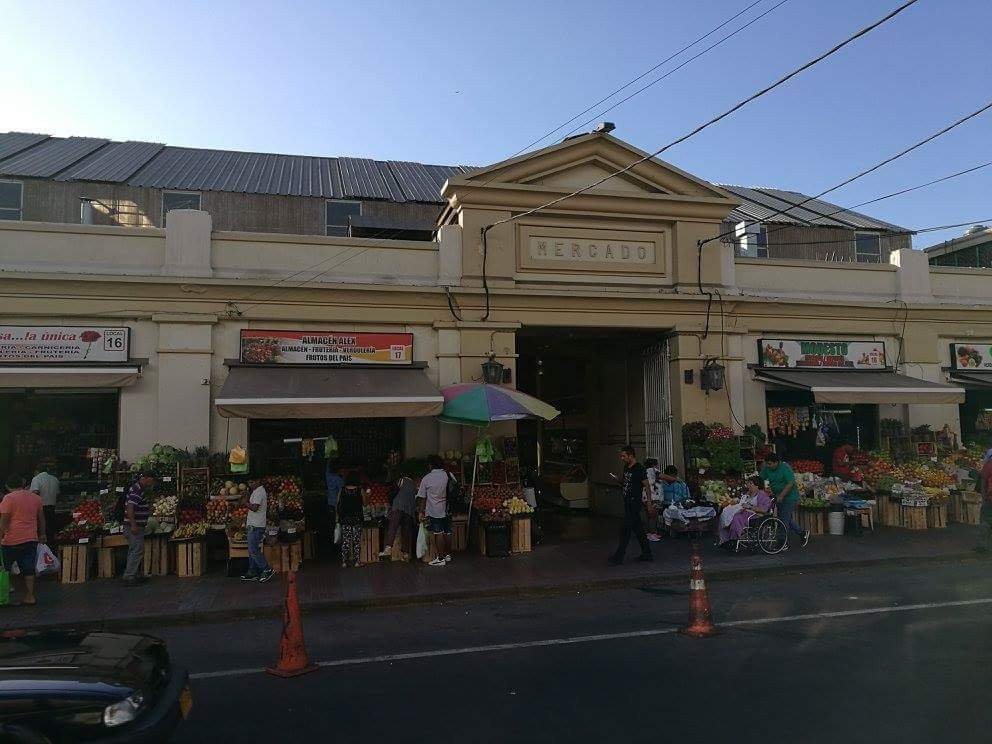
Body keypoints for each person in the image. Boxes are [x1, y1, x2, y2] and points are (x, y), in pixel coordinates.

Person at [0, 475, 44, 606]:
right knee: (28, 568)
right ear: (23, 484)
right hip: (30, 538)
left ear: (8, 486)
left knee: (5, 568)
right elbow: (41, 518)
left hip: (10, 540)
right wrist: (43, 533)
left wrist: (1, 535)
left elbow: (4, 521)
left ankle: (5, 594)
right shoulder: (36, 498)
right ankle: (30, 596)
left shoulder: (8, 498)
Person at [609, 445, 652, 565]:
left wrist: (649, 502)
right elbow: (625, 482)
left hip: (634, 502)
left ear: (631, 455)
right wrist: (618, 479)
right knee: (638, 530)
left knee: (625, 529)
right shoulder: (626, 467)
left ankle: (619, 556)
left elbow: (647, 486)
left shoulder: (639, 469)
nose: (622, 458)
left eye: (624, 456)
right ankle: (647, 553)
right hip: (627, 501)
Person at [760, 453, 809, 548]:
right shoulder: (767, 468)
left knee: (784, 519)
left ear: (776, 462)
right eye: (767, 464)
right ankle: (802, 532)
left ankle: (782, 541)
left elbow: (790, 483)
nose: (769, 466)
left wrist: (782, 495)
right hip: (777, 496)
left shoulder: (785, 468)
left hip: (790, 497)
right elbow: (760, 478)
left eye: (770, 464)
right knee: (784, 518)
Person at [416, 456, 451, 567]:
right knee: (447, 532)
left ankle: (440, 558)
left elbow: (422, 497)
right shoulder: (447, 475)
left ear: (431, 465)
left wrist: (421, 512)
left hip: (434, 510)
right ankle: (447, 555)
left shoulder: (427, 478)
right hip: (447, 508)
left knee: (438, 533)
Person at [718, 475, 773, 546]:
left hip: (756, 516)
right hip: (745, 513)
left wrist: (750, 507)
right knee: (726, 515)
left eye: (751, 483)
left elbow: (764, 509)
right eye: (748, 483)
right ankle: (727, 540)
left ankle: (736, 538)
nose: (748, 485)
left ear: (757, 485)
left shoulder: (762, 495)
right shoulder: (748, 494)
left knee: (736, 517)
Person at [122, 473, 155, 586]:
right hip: (134, 526)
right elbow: (130, 508)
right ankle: (130, 576)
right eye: (150, 481)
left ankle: (134, 574)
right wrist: (133, 525)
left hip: (136, 525)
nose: (151, 484)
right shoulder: (137, 490)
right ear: (145, 479)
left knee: (135, 550)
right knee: (136, 550)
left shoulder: (139, 489)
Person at [241, 477, 274, 582]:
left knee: (253, 550)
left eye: (252, 481)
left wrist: (245, 502)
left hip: (256, 526)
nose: (250, 484)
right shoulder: (255, 491)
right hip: (253, 525)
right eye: (249, 482)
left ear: (258, 481)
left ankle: (267, 569)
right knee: (252, 550)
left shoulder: (260, 492)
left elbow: (255, 508)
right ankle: (252, 572)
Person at [380, 474, 416, 560]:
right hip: (409, 508)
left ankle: (388, 547)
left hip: (398, 505)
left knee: (393, 525)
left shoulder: (401, 480)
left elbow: (394, 492)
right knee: (406, 529)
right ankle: (406, 553)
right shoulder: (413, 483)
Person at [29, 461, 59, 544]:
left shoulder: (36, 479)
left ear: (36, 471)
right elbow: (57, 494)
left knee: (41, 531)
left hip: (41, 509)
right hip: (52, 508)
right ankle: (50, 550)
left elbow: (34, 493)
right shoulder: (54, 479)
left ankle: (42, 551)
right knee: (50, 530)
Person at [338, 472, 364, 568]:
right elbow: (365, 503)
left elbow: (338, 503)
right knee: (356, 541)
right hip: (357, 519)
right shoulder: (360, 490)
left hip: (345, 519)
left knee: (346, 541)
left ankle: (344, 562)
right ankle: (357, 562)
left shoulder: (342, 490)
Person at [325, 462, 344, 550]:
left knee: (331, 523)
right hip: (336, 504)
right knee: (337, 523)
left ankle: (330, 543)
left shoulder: (328, 476)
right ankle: (337, 542)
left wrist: (329, 459)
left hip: (329, 503)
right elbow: (341, 492)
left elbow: (327, 468)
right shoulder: (339, 479)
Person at [976, 455, 992, 553]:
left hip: (990, 499)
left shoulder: (989, 464)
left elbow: (983, 480)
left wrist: (984, 496)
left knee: (985, 521)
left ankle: (984, 546)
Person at [644, 458, 662, 542]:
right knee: (654, 516)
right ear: (654, 464)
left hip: (645, 496)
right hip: (654, 496)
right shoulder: (653, 470)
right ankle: (653, 533)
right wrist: (675, 479)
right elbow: (661, 476)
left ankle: (649, 533)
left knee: (648, 515)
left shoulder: (644, 471)